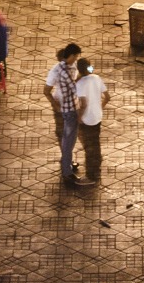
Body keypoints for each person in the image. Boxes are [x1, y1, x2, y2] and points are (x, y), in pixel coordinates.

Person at [44, 43, 82, 186]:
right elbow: (46, 90)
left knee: (69, 139)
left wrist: (89, 70)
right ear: (70, 56)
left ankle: (67, 162)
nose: (76, 59)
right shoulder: (58, 71)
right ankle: (67, 171)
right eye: (76, 56)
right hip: (66, 108)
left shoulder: (73, 65)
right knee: (67, 139)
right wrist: (56, 105)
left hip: (72, 105)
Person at [73, 55, 107, 185]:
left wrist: (79, 117)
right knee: (95, 143)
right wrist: (100, 107)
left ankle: (91, 177)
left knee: (89, 147)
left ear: (78, 70)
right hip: (97, 116)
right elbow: (107, 97)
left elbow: (83, 103)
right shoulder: (97, 78)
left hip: (87, 119)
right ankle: (97, 165)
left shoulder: (80, 84)